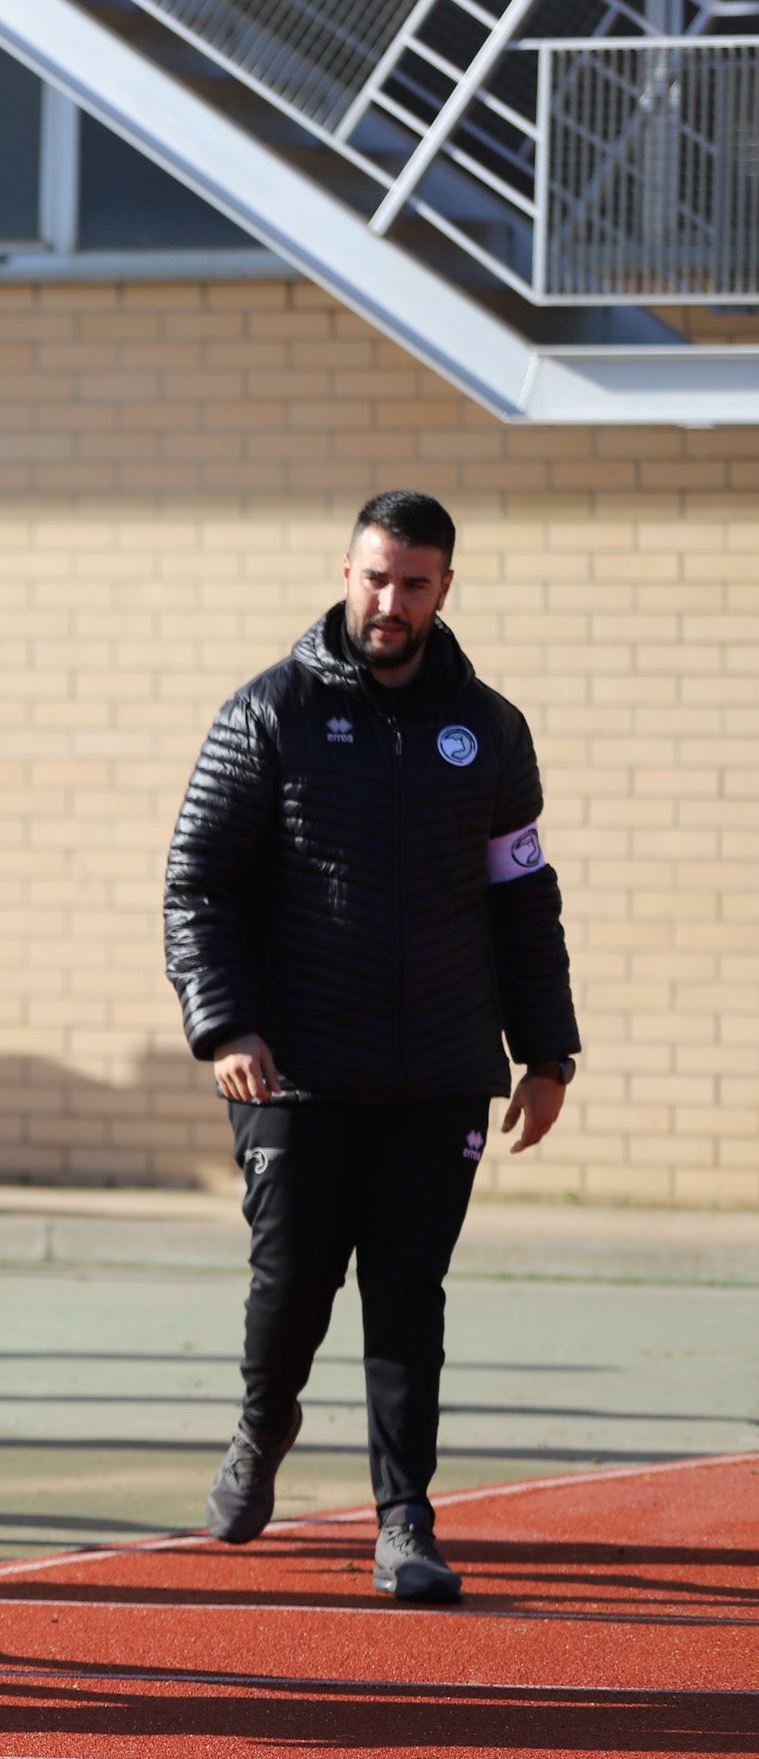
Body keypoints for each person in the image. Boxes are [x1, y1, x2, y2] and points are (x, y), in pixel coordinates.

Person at [165, 491, 578, 1605]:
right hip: (292, 1068)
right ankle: (262, 1429)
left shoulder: (489, 730)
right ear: (346, 571)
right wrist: (226, 1023)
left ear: (445, 589)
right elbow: (197, 882)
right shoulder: (271, 711)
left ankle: (406, 1519)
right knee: (294, 1280)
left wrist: (547, 1053)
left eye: (413, 582)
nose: (389, 601)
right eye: (374, 577)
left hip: (441, 1069)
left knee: (409, 1294)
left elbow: (523, 900)